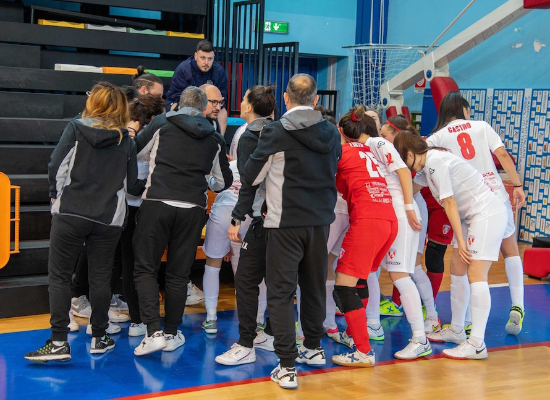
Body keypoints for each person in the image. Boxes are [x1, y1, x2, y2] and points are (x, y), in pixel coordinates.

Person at [24, 82, 145, 362]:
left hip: (71, 212)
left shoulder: (76, 128)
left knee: (60, 276)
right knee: (101, 278)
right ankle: (99, 337)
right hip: (108, 219)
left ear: (94, 103)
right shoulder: (127, 141)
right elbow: (131, 186)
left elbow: (56, 165)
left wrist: (56, 195)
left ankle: (58, 342)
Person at [240, 74, 341, 389]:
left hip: (284, 223)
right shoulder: (331, 131)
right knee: (314, 286)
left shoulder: (276, 131)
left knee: (281, 293)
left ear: (285, 99)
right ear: (316, 100)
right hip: (320, 222)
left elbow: (251, 175)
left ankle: (286, 366)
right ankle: (313, 348)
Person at [132, 86, 232, 357]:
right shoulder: (214, 136)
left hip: (157, 202)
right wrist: (206, 181)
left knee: (145, 269)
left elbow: (136, 150)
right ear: (203, 108)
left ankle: (152, 332)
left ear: (178, 104)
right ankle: (171, 332)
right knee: (178, 275)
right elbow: (223, 181)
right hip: (192, 208)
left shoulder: (161, 123)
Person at [394, 131, 508, 360]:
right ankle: (457, 329)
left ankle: (477, 343)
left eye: (403, 160)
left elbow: (449, 202)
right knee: (457, 268)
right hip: (472, 217)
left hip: (487, 214)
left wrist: (461, 241)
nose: (404, 166)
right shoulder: (426, 166)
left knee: (476, 274)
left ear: (409, 154)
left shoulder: (435, 162)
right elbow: (409, 191)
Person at [426, 92, 527, 335]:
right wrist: (517, 185)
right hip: (496, 195)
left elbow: (422, 158)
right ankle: (518, 304)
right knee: (510, 250)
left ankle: (466, 322)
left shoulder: (438, 136)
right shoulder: (482, 126)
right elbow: (502, 155)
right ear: (463, 109)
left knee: (465, 263)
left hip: (469, 202)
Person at [330, 106, 398, 367]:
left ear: (340, 131)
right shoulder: (370, 151)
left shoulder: (341, 152)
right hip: (388, 219)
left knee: (343, 285)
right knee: (360, 280)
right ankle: (353, 334)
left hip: (368, 222)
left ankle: (363, 351)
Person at [214, 85, 276, 365]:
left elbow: (249, 181)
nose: (239, 102)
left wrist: (237, 218)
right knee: (277, 280)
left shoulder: (250, 134)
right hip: (288, 216)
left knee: (247, 279)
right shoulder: (279, 130)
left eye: (242, 100)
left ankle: (247, 343)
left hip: (264, 215)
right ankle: (271, 334)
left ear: (249, 107)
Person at [379, 116, 441, 335]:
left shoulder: (409, 155)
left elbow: (410, 189)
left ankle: (431, 316)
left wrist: (407, 206)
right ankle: (378, 312)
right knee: (388, 267)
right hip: (403, 208)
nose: (380, 138)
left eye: (384, 134)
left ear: (397, 135)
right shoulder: (391, 151)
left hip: (411, 209)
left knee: (412, 267)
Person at [120, 94, 165, 337]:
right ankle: (140, 318)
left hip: (131, 204)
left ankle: (137, 319)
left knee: (132, 264)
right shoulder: (148, 133)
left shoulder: (131, 131)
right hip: (140, 203)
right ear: (154, 116)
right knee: (143, 264)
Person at [165, 40, 228, 134]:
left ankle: (218, 140)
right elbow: (177, 97)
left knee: (222, 112)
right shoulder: (183, 69)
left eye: (210, 59)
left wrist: (210, 105)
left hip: (209, 105)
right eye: (203, 58)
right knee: (176, 107)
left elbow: (221, 98)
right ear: (195, 56)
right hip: (184, 104)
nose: (206, 62)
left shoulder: (219, 72)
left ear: (214, 58)